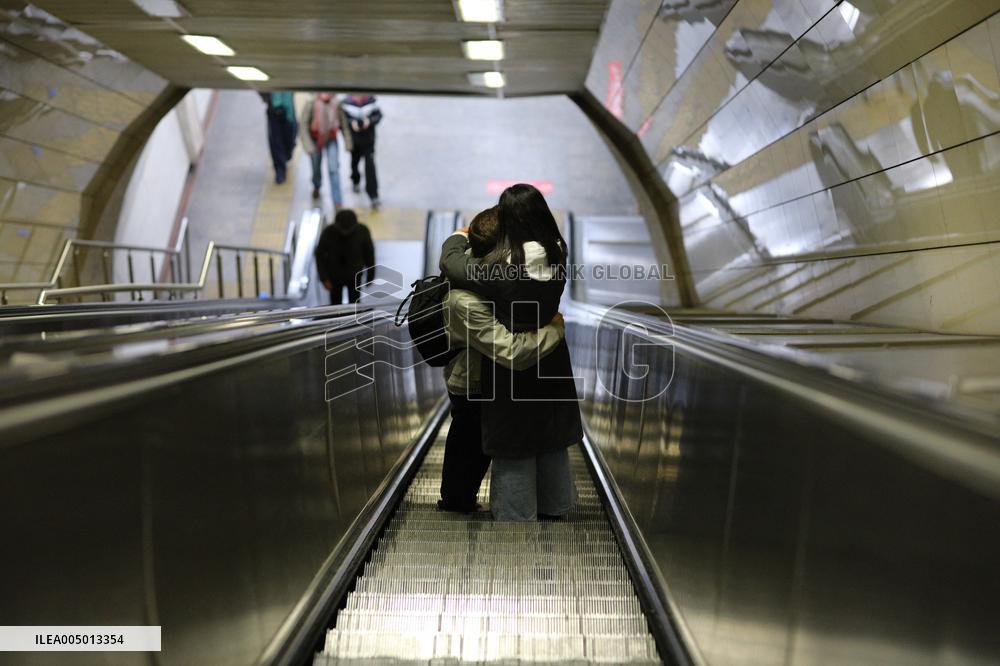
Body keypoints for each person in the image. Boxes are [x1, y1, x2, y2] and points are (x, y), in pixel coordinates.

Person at [439, 184, 583, 521]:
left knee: (515, 446)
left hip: (512, 374)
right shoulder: (558, 253)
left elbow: (453, 265)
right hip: (551, 363)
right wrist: (554, 328)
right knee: (549, 440)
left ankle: (517, 521)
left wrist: (458, 237)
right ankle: (555, 507)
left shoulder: (501, 270)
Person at [314, 209, 375, 305]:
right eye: (342, 230)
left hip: (355, 275)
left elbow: (369, 254)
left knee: (354, 303)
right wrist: (324, 278)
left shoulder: (362, 231)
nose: (345, 233)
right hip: (334, 277)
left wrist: (370, 276)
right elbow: (319, 255)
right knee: (335, 305)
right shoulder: (328, 232)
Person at [299, 92, 344, 208]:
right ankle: (317, 185)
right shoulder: (311, 102)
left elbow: (344, 124)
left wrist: (349, 143)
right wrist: (308, 146)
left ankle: (337, 201)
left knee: (334, 169)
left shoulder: (336, 103)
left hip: (331, 139)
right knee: (316, 168)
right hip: (315, 140)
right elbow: (303, 125)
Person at [339, 93, 382, 208]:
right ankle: (355, 180)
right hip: (354, 142)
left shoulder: (372, 101)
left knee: (370, 167)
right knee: (354, 163)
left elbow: (378, 115)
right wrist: (351, 122)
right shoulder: (346, 103)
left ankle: (373, 195)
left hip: (368, 141)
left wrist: (369, 121)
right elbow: (341, 120)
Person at [260, 92, 296, 184]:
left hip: (288, 111)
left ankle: (286, 156)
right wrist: (267, 98)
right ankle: (280, 170)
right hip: (274, 110)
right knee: (276, 142)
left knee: (289, 138)